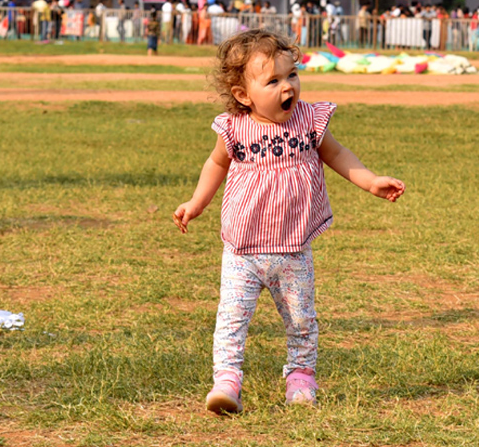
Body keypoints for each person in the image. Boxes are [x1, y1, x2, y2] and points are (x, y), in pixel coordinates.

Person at [173, 29, 405, 414]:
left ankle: (301, 378)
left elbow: (337, 153)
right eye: (273, 80)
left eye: (292, 75)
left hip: (294, 249)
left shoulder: (308, 121)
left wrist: (370, 181)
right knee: (231, 320)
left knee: (301, 321)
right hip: (243, 250)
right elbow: (216, 164)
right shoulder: (233, 129)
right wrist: (197, 202)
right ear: (243, 95)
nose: (288, 87)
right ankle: (227, 381)